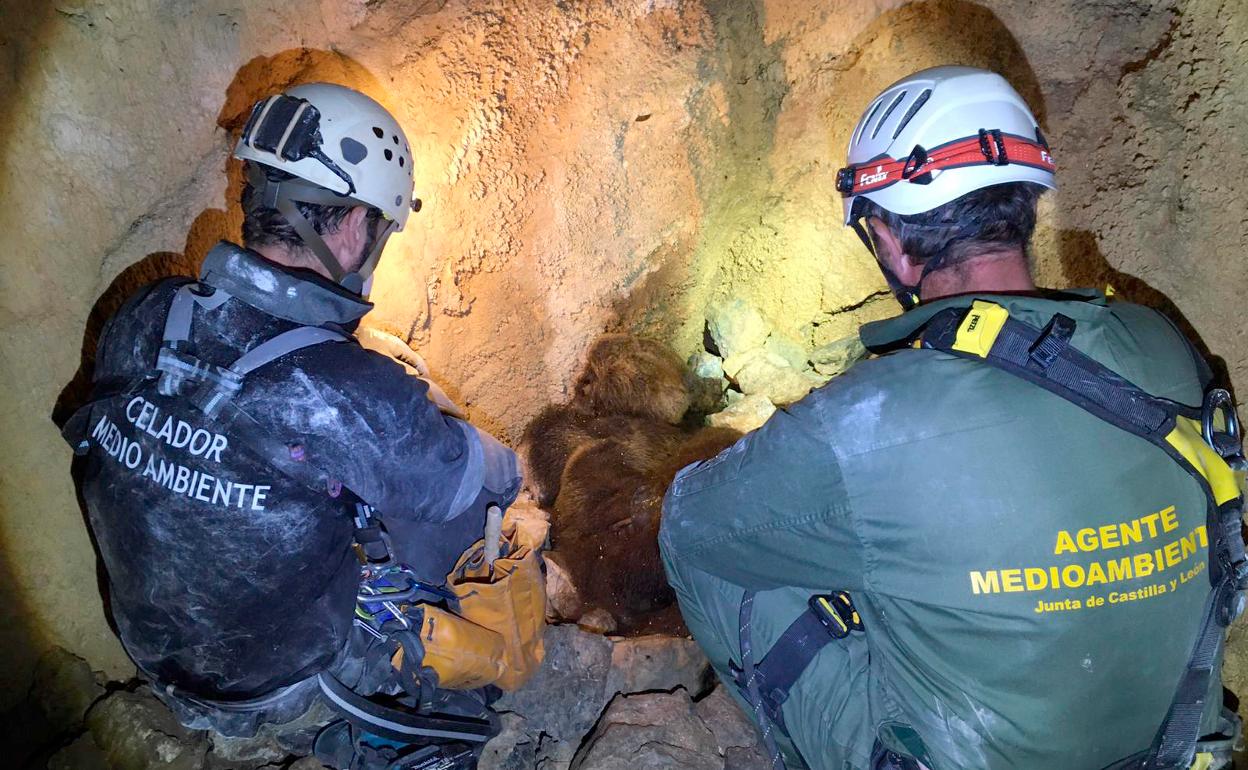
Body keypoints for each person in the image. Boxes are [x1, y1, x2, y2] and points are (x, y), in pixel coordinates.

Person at [659, 66, 1247, 770]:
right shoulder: (1161, 343)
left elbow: (694, 523)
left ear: (889, 242)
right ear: (1024, 208)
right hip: (1181, 750)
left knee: (707, 546)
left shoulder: (864, 424)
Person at [59, 83, 536, 768]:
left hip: (151, 643)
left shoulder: (147, 312)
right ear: (349, 227)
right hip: (272, 682)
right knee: (476, 528)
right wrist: (437, 422)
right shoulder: (343, 388)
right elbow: (480, 477)